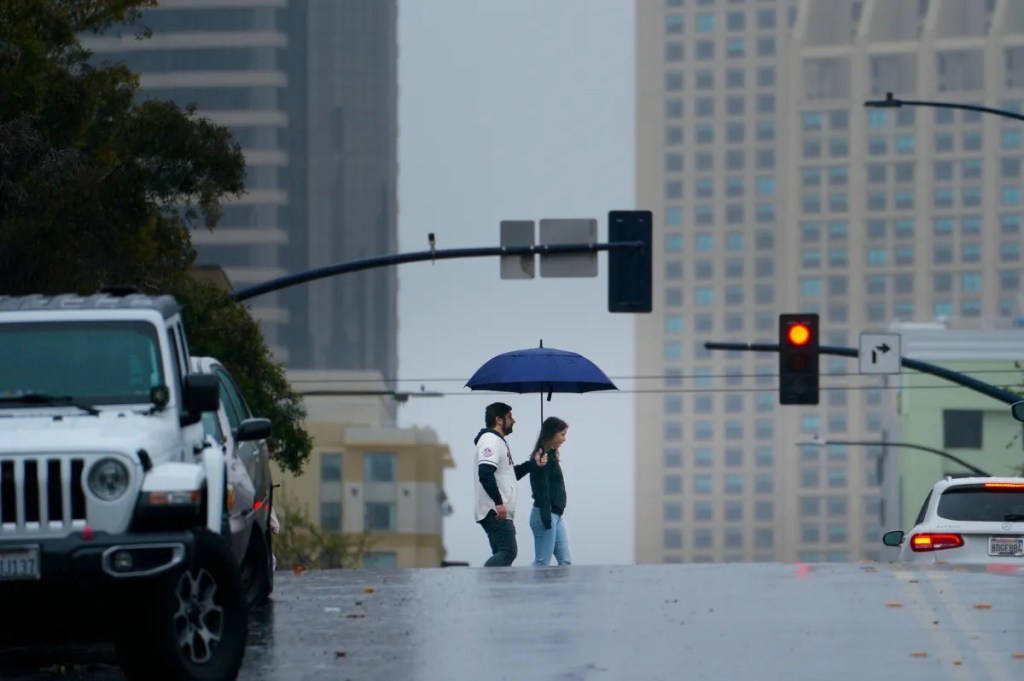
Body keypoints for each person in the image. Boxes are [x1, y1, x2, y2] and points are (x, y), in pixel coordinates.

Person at [474, 402, 547, 566]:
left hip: (497, 509)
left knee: (502, 554)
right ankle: (482, 583)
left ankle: (493, 590)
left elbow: (510, 475)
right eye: (510, 416)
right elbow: (485, 474)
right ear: (499, 420)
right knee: (508, 552)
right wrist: (498, 503)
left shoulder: (498, 442)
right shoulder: (490, 441)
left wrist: (533, 463)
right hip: (495, 510)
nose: (514, 421)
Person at [528, 416, 571, 566]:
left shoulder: (551, 456)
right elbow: (541, 490)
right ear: (552, 434)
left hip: (556, 515)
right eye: (562, 434)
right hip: (545, 514)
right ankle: (532, 589)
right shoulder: (542, 457)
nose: (564, 439)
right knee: (542, 562)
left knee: (565, 561)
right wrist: (546, 518)